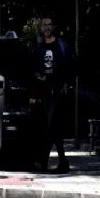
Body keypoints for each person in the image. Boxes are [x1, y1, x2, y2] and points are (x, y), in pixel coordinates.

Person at [34, 17, 75, 173]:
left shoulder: (62, 46)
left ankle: (44, 160)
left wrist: (67, 83)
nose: (47, 28)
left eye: (49, 25)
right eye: (44, 25)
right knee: (51, 127)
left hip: (58, 92)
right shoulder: (39, 48)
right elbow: (34, 67)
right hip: (44, 92)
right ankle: (61, 161)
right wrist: (39, 76)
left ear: (53, 27)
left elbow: (73, 65)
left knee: (51, 125)